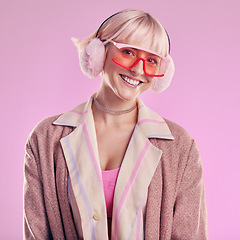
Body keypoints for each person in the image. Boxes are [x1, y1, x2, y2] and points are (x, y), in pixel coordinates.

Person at [23, 9, 208, 239]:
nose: (138, 69)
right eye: (128, 52)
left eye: (151, 60)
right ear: (98, 51)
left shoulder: (181, 148)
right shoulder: (44, 139)